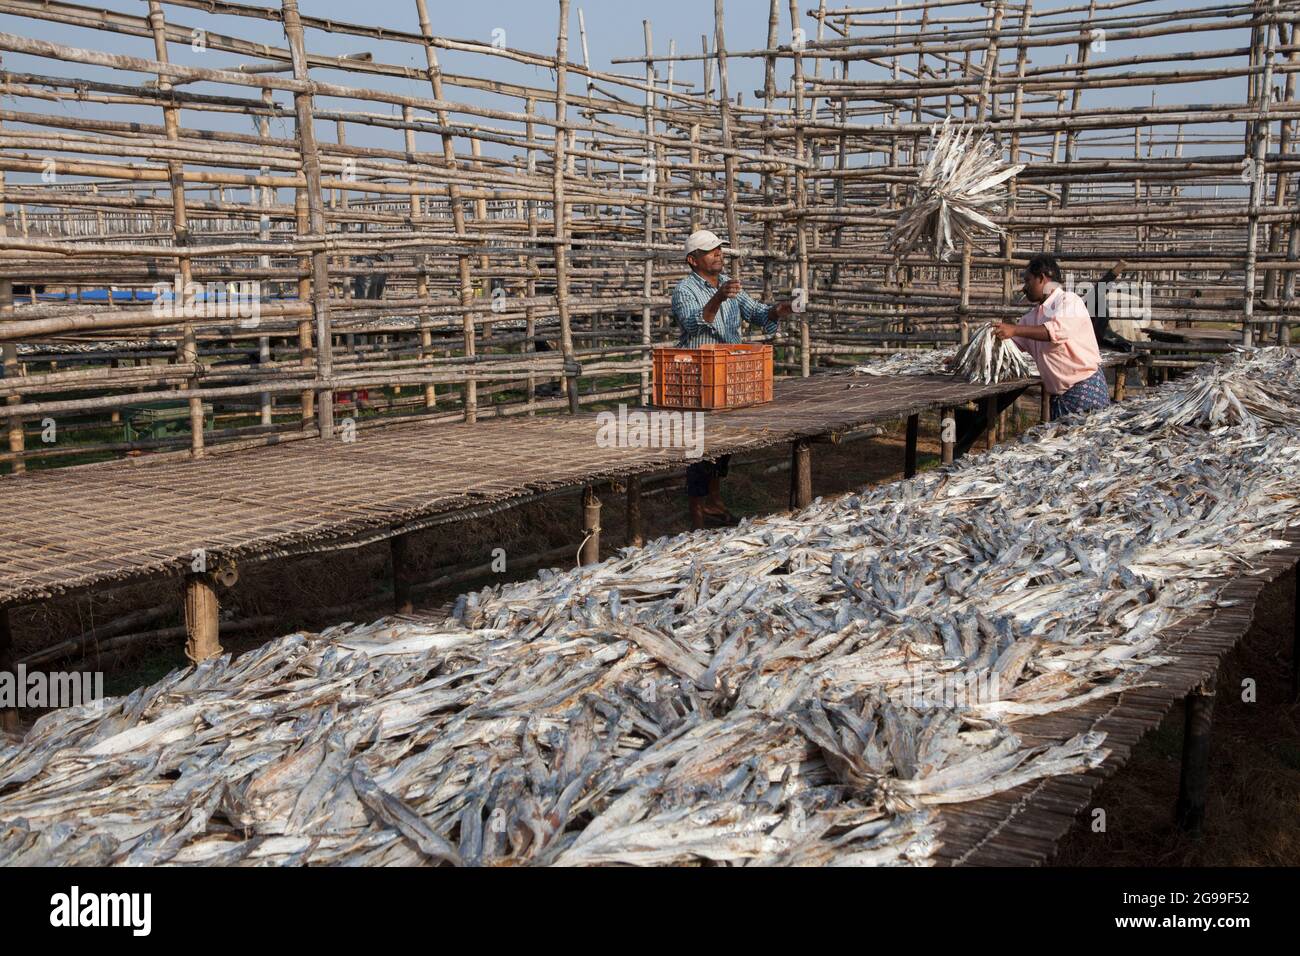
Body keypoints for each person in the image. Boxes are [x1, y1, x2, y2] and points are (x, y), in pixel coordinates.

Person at [671, 229, 795, 529]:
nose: (718, 254)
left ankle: (715, 504)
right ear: (693, 260)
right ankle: (697, 515)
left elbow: (757, 313)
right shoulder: (684, 289)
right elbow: (692, 321)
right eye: (711, 250)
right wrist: (717, 298)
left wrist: (779, 310)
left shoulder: (728, 285)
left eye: (719, 249)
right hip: (696, 375)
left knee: (723, 442)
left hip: (727, 373)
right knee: (698, 447)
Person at [991, 253, 1110, 420]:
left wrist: (1015, 330)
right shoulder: (1032, 317)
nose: (1024, 288)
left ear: (1042, 278)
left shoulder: (1069, 301)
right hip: (1060, 397)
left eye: (1028, 281)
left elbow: (1055, 331)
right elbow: (1008, 346)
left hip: (1085, 390)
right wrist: (965, 358)